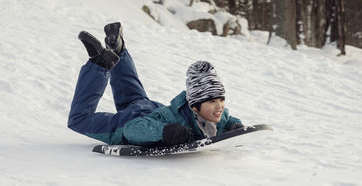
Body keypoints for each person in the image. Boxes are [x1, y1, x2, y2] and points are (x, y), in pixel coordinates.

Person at [68, 22, 243, 146]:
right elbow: (132, 130)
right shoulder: (174, 119)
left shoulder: (216, 115)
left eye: (221, 99)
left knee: (130, 92)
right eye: (212, 101)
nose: (219, 106)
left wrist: (233, 127)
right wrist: (165, 132)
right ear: (194, 107)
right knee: (78, 120)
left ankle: (118, 48)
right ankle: (99, 64)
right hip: (134, 122)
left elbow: (227, 119)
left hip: (149, 109)